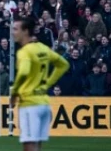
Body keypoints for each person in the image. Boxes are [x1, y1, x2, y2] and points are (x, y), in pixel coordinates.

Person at [10, 17, 70, 151]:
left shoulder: (24, 52)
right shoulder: (43, 48)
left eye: (15, 29)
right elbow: (63, 64)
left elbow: (24, 72)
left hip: (30, 103)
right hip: (44, 103)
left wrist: (14, 93)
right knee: (37, 146)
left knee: (29, 146)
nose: (13, 32)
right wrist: (47, 84)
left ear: (25, 31)